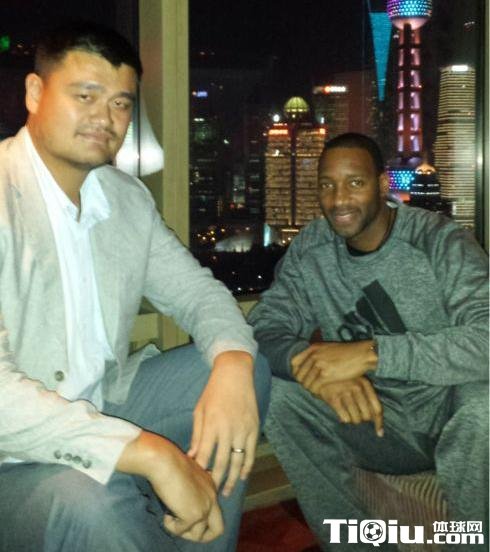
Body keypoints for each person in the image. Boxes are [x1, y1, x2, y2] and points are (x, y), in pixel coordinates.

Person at [0, 21, 270, 552]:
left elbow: (197, 294)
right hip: (13, 456)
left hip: (106, 400)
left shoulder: (124, 199)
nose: (105, 118)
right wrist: (149, 453)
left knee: (240, 367)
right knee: (92, 504)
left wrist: (235, 360)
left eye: (120, 103)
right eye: (85, 95)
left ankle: (205, 538)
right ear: (34, 92)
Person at [249, 133, 489, 551]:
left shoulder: (439, 241)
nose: (339, 199)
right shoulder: (313, 249)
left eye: (355, 183)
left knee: (484, 404)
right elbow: (263, 328)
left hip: (449, 417)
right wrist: (316, 370)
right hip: (373, 423)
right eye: (327, 185)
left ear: (381, 185)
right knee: (280, 393)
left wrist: (371, 354)